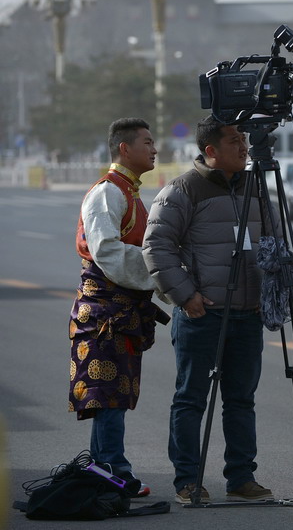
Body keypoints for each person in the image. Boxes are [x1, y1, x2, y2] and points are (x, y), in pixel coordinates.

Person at [142, 118, 276, 504]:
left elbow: (275, 241)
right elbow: (157, 247)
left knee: (241, 399)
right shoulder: (182, 189)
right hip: (203, 315)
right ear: (211, 150)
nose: (245, 148)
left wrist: (272, 298)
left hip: (247, 313)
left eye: (245, 140)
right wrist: (185, 296)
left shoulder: (256, 188)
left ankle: (241, 478)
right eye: (235, 141)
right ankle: (188, 480)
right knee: (191, 399)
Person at [68, 118, 169, 498]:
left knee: (113, 393)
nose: (154, 149)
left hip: (118, 314)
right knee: (109, 393)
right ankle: (114, 470)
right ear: (125, 149)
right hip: (105, 315)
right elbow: (106, 251)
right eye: (147, 142)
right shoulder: (109, 192)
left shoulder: (128, 191)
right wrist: (159, 271)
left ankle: (104, 470)